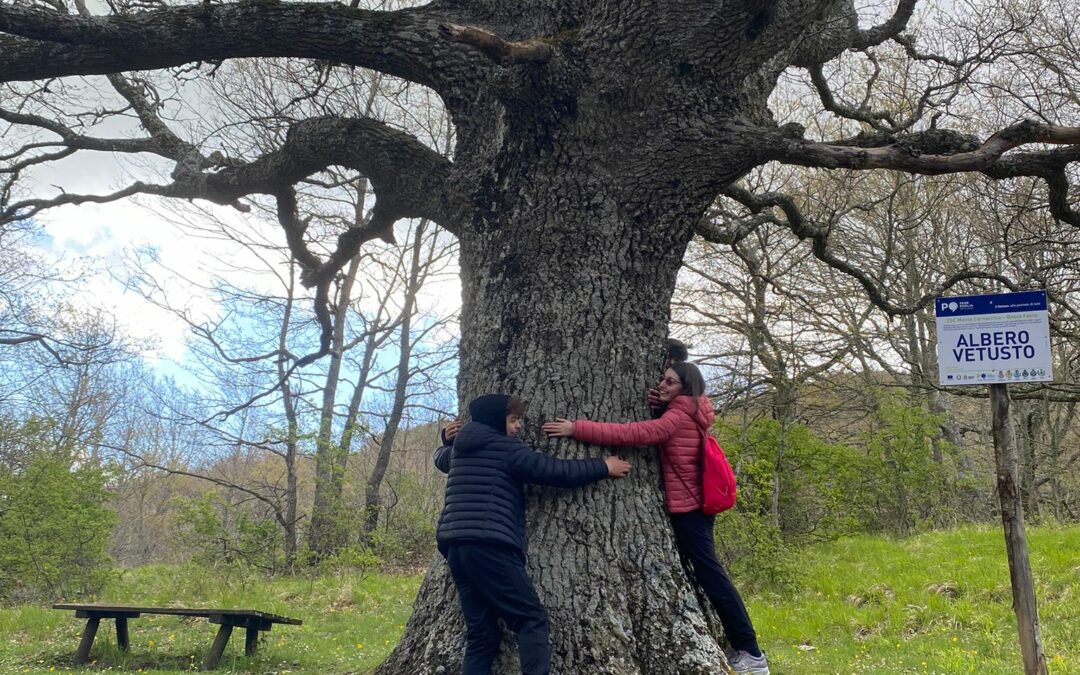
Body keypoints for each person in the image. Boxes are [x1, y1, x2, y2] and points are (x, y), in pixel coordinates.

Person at [542, 362, 769, 675]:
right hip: (697, 507)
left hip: (690, 510)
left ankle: (751, 653)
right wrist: (660, 402)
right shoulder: (690, 410)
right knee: (710, 576)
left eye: (671, 382)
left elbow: (634, 433)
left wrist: (576, 428)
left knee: (713, 579)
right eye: (662, 378)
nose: (662, 384)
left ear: (685, 388)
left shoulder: (677, 416)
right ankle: (747, 648)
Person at [435, 394, 631, 675]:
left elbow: (440, 459)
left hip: (456, 548)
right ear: (495, 420)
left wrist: (445, 438)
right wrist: (603, 466)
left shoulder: (458, 451)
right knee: (530, 620)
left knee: (482, 634)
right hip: (491, 545)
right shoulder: (506, 449)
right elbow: (554, 471)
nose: (518, 427)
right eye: (513, 420)